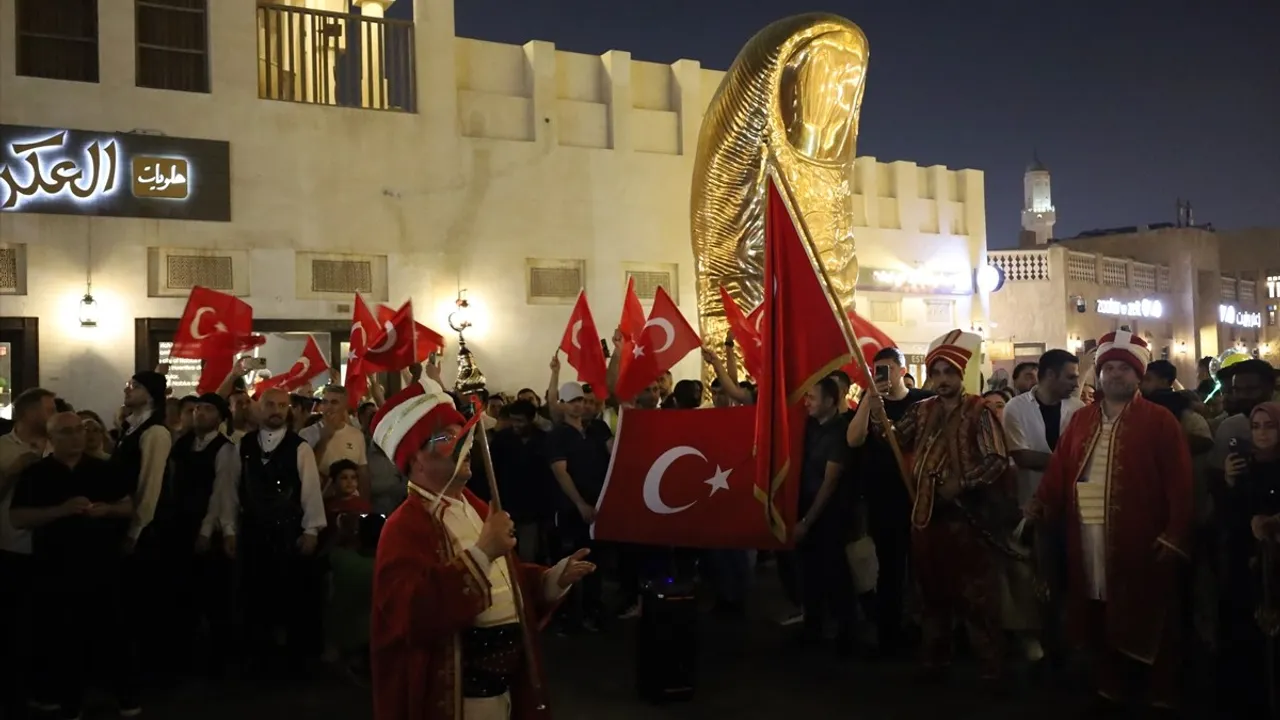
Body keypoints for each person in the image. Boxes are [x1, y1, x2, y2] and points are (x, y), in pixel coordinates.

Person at [370, 376, 596, 720]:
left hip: (505, 688)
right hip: (456, 697)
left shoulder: (475, 506)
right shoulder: (403, 527)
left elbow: (508, 583)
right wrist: (484, 553)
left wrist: (552, 579)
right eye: (447, 438)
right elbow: (411, 616)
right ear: (416, 461)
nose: (462, 443)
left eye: (461, 433)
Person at [1028, 331, 1192, 713]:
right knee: (1097, 604)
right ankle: (1110, 684)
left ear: (1138, 375)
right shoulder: (1082, 419)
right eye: (1109, 368)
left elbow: (1180, 481)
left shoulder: (1160, 421)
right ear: (1099, 374)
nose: (1115, 375)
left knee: (1149, 610)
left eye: (1124, 368)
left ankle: (1159, 690)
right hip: (1087, 535)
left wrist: (1174, 533)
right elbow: (1059, 470)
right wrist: (1041, 502)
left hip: (1141, 535)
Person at [894, 330, 1012, 683]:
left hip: (968, 517)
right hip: (926, 515)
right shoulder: (921, 409)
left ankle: (992, 670)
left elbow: (996, 459)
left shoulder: (981, 410)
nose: (943, 380)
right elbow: (894, 437)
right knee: (931, 591)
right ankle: (935, 662)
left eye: (950, 373)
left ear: (961, 375)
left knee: (976, 596)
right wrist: (874, 407)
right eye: (937, 372)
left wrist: (963, 483)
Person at [846, 346, 934, 657]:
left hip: (919, 495)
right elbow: (853, 439)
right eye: (876, 370)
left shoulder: (922, 401)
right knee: (891, 567)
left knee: (924, 566)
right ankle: (889, 632)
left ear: (901, 369)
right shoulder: (871, 402)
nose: (882, 375)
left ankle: (927, 629)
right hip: (883, 497)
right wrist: (867, 404)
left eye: (887, 369)